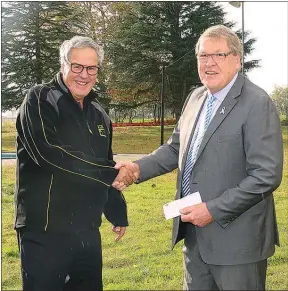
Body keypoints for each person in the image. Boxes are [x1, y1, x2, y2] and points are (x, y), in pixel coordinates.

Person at [112, 25, 283, 290]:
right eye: (203, 56)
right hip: (194, 237)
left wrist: (213, 210)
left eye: (219, 55)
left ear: (237, 60)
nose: (209, 63)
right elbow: (174, 149)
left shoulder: (256, 103)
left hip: (237, 245)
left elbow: (266, 175)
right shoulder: (196, 97)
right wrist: (136, 168)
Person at [15, 36, 132, 291]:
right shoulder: (40, 99)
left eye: (91, 68)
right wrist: (108, 174)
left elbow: (105, 163)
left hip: (87, 233)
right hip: (45, 232)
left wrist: (116, 210)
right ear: (63, 65)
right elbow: (49, 154)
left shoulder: (99, 113)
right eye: (76, 66)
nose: (83, 75)